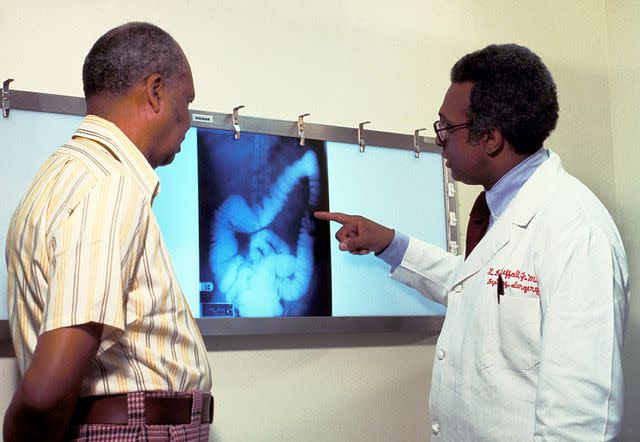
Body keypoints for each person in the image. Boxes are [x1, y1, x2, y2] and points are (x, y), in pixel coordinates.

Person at [316, 44, 630, 441]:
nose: (438, 139)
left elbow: (581, 422)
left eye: (447, 128)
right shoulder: (502, 210)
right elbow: (481, 287)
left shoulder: (577, 234)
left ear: (491, 138)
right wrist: (389, 243)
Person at [4, 22, 212, 442]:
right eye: (185, 101)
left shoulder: (57, 176)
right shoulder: (110, 185)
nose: (187, 120)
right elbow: (46, 391)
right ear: (154, 91)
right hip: (134, 431)